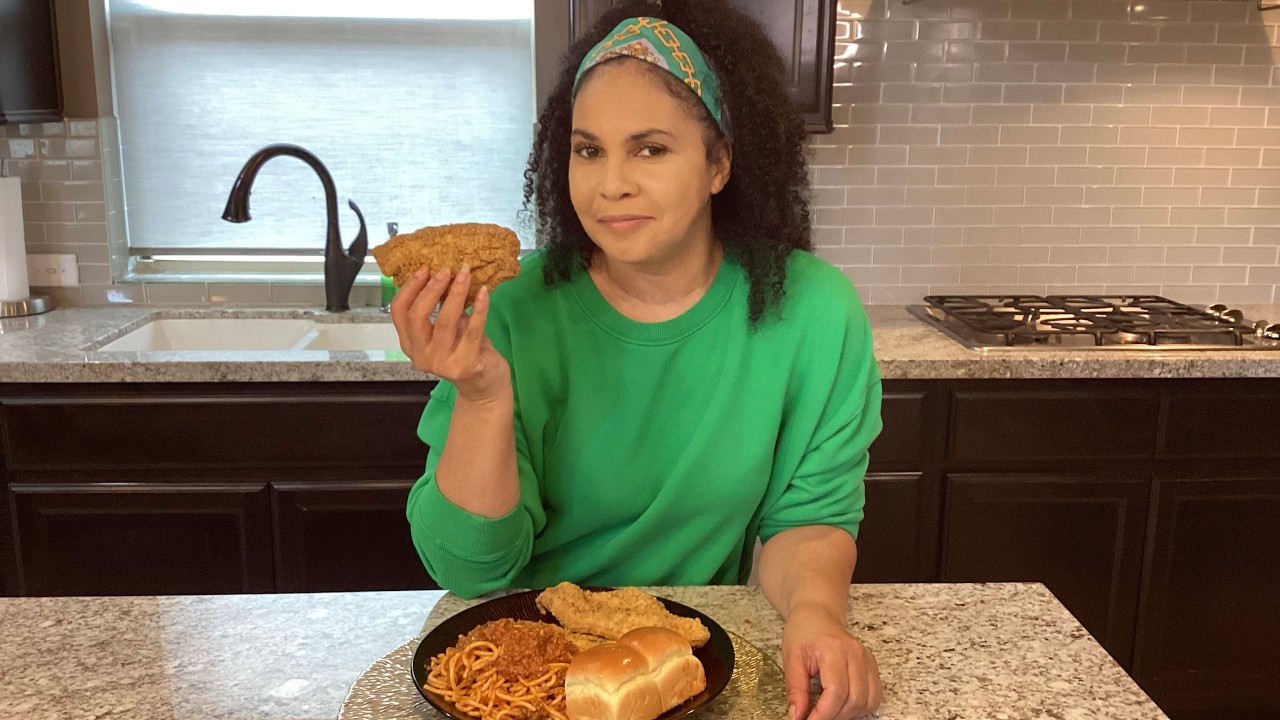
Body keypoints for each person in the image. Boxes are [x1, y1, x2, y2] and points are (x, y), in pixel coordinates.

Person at [392, 2, 884, 719]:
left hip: (684, 671)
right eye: (588, 150)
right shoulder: (514, 308)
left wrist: (817, 615)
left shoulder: (813, 312)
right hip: (517, 671)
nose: (610, 183)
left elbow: (808, 518)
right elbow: (472, 571)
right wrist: (481, 395)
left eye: (649, 148)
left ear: (719, 162)